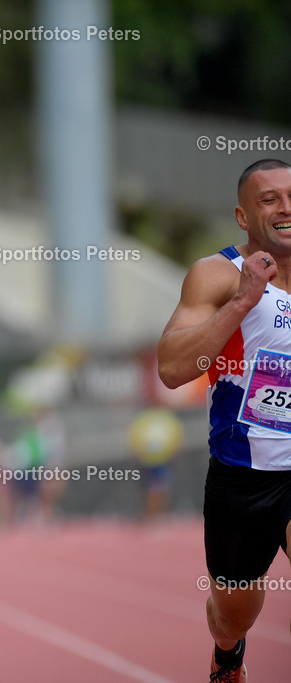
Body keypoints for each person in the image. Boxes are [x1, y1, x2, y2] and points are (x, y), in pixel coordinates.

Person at [158, 158, 291, 682]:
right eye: (269, 199)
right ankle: (228, 654)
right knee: (234, 614)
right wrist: (241, 302)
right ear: (243, 215)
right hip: (243, 474)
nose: (286, 208)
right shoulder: (216, 275)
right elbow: (171, 369)